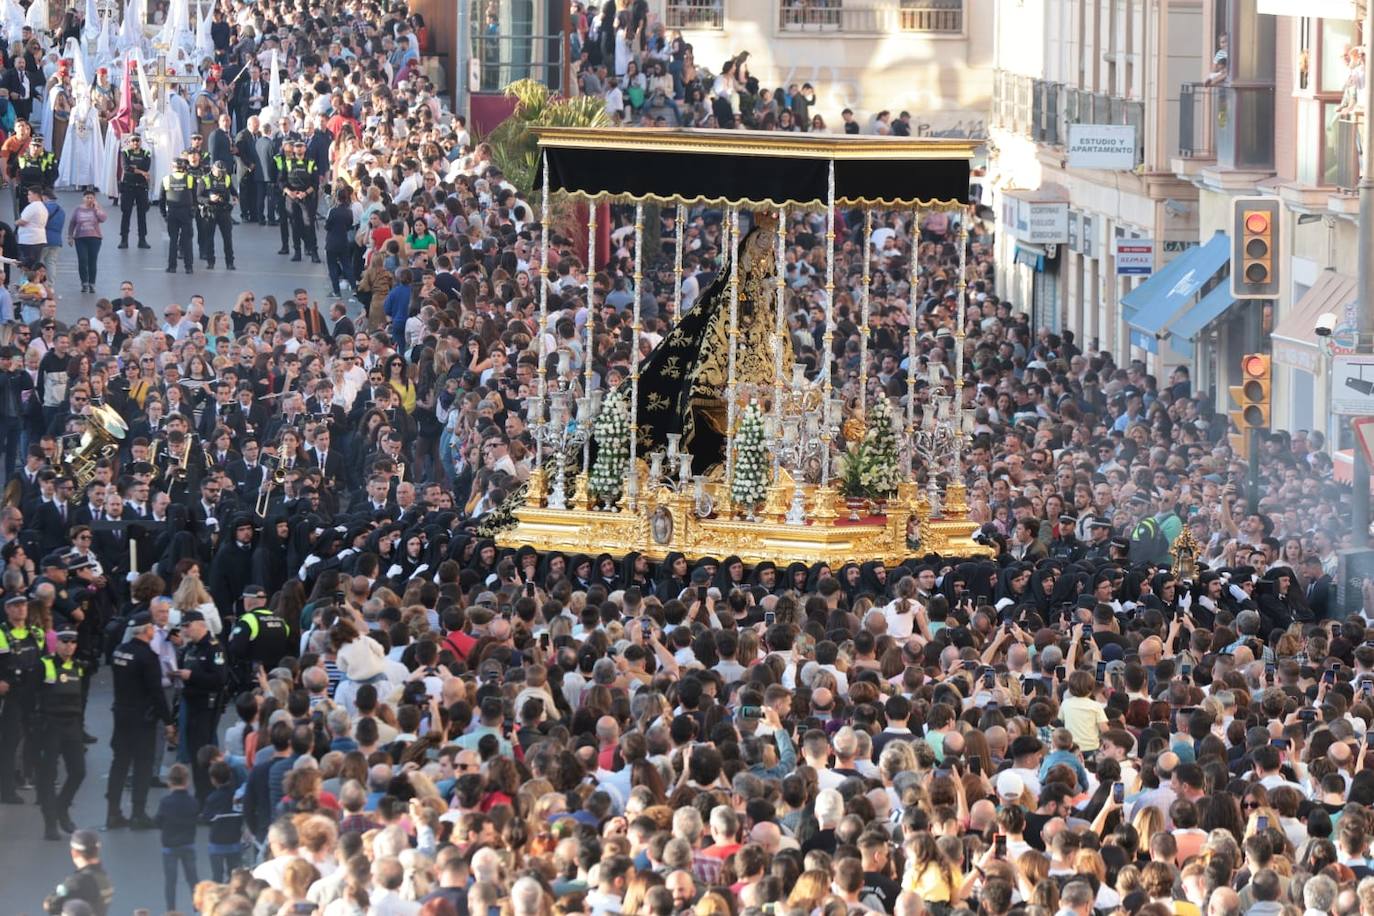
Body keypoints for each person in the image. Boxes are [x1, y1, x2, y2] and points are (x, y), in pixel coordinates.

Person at [105, 610, 174, 830]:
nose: (154, 630)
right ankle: (138, 813)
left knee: (120, 763)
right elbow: (156, 692)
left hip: (121, 714)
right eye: (152, 627)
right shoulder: (148, 657)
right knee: (143, 764)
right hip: (142, 718)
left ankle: (113, 812)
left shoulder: (120, 652)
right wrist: (168, 721)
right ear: (145, 630)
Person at [35, 627, 86, 840]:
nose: (69, 646)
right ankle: (50, 822)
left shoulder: (78, 667)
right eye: (64, 642)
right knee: (47, 775)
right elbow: (33, 695)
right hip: (50, 726)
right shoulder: (45, 664)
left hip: (72, 725)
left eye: (72, 642)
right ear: (56, 643)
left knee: (78, 771)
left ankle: (61, 807)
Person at [175, 609, 227, 801]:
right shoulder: (190, 649)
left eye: (188, 626)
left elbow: (219, 678)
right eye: (183, 627)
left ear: (201, 624)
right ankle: (200, 795)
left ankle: (207, 796)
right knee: (194, 752)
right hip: (190, 704)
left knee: (203, 754)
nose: (185, 630)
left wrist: (192, 676)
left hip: (207, 706)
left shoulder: (214, 648)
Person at [0, 591, 44, 803]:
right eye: (15, 606)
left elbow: (45, 662)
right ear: (7, 609)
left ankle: (32, 778)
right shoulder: (1, 633)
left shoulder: (36, 633)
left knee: (36, 738)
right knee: (10, 741)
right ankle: (6, 790)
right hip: (12, 696)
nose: (20, 609)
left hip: (33, 693)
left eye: (23, 605)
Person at [154, 763, 199, 912]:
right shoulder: (192, 801)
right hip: (188, 844)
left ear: (169, 782)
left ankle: (171, 910)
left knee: (170, 882)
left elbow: (158, 822)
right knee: (192, 878)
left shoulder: (165, 802)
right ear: (187, 781)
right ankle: (197, 907)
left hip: (169, 846)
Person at [42, 829, 113, 916]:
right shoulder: (104, 877)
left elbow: (50, 905)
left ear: (74, 853)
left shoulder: (77, 882)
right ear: (97, 851)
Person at [281, 136, 320, 263]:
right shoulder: (287, 163)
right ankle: (297, 252)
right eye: (296, 147)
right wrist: (289, 192)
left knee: (309, 225)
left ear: (305, 148)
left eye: (300, 146)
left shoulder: (311, 162)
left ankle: (313, 252)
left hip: (306, 198)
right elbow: (281, 181)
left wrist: (305, 193)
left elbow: (315, 183)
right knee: (295, 225)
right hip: (292, 198)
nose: (298, 149)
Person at [159, 155, 197, 274]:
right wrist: (193, 212)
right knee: (187, 241)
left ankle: (172, 267)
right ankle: (189, 267)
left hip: (172, 212)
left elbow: (161, 199)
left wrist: (164, 214)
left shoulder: (166, 179)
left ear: (173, 167)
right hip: (186, 213)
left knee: (173, 240)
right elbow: (195, 197)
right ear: (183, 167)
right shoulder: (190, 179)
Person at [65, 189, 105, 293]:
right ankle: (84, 282)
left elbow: (103, 218)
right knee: (83, 260)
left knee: (92, 261)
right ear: (83, 198)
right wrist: (70, 236)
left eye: (91, 198)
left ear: (94, 199)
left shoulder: (97, 209)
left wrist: (96, 208)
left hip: (95, 238)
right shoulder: (78, 209)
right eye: (87, 197)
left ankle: (92, 283)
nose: (89, 199)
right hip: (80, 238)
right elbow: (72, 223)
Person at [199, 158, 236, 270]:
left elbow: (233, 191)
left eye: (222, 171)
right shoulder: (205, 179)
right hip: (211, 210)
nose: (220, 173)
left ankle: (230, 262)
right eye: (218, 171)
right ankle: (210, 261)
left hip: (224, 210)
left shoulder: (227, 177)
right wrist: (209, 199)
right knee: (209, 238)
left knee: (227, 238)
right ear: (212, 169)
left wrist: (235, 198)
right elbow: (198, 197)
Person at [117, 135, 152, 249]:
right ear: (129, 142)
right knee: (126, 213)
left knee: (142, 214)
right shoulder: (125, 152)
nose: (135, 143)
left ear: (140, 142)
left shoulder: (146, 153)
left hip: (141, 187)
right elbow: (126, 167)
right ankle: (124, 240)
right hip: (128, 187)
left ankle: (142, 240)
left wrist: (137, 170)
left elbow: (146, 166)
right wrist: (141, 172)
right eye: (133, 141)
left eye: (137, 140)